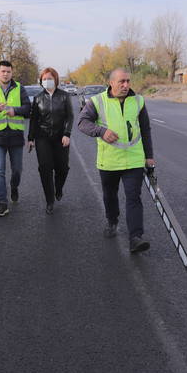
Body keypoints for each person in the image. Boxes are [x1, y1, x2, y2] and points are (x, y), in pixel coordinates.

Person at [77, 68, 155, 253]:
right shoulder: (97, 101)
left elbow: (145, 129)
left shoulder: (138, 101)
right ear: (111, 82)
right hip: (109, 161)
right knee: (110, 196)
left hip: (134, 161)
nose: (126, 85)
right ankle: (112, 220)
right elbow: (82, 123)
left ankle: (136, 237)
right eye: (122, 81)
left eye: (128, 81)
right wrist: (101, 132)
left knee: (133, 197)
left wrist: (149, 156)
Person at [0, 60, 31, 217]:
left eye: (8, 71)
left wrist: (15, 111)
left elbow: (28, 109)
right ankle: (2, 203)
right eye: (3, 71)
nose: (5, 74)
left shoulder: (19, 88)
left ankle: (14, 187)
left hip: (16, 135)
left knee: (17, 170)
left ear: (12, 73)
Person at [27, 67, 74, 215]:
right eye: (45, 79)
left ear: (56, 79)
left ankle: (58, 188)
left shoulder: (65, 96)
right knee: (45, 168)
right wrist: (30, 138)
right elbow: (34, 120)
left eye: (50, 78)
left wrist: (67, 134)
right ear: (41, 81)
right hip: (43, 137)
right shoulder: (38, 98)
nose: (47, 81)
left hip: (61, 137)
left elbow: (70, 116)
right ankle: (49, 200)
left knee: (63, 168)